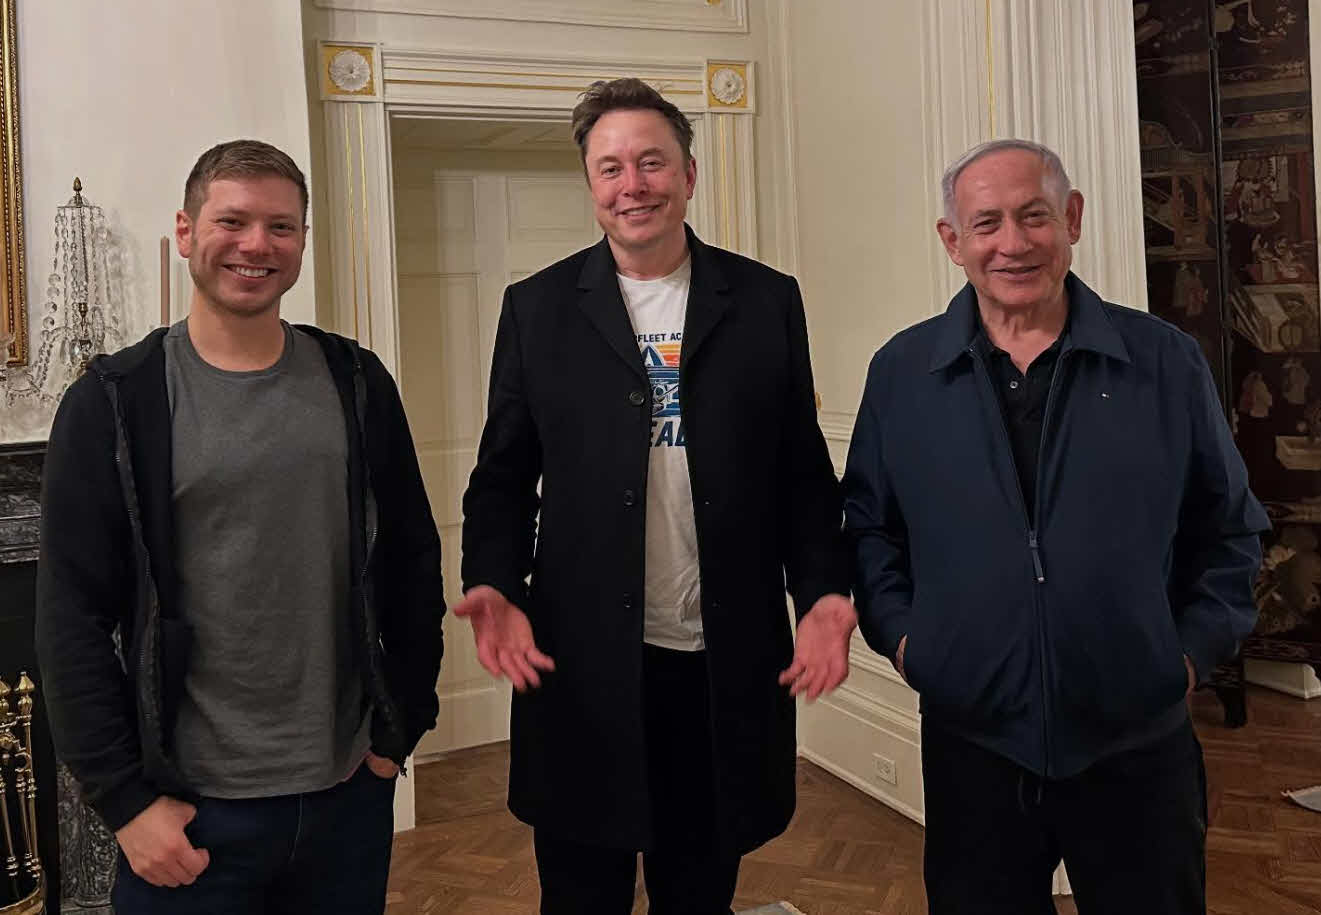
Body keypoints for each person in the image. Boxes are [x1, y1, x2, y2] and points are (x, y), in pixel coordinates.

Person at [456, 77, 855, 914]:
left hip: (720, 666)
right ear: (590, 185)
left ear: (688, 174)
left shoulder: (764, 300)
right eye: (610, 168)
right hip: (584, 667)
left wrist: (822, 588)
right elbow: (502, 477)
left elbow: (799, 473)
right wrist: (494, 579)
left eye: (651, 162)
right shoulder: (536, 309)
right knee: (581, 895)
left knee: (698, 892)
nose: (631, 185)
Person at [842, 138, 1269, 914]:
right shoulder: (902, 372)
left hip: (1136, 742)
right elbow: (871, 530)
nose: (1012, 243)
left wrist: (1181, 658)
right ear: (952, 240)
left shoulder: (1163, 361)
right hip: (972, 743)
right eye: (986, 223)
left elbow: (1229, 529)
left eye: (1033, 215)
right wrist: (909, 645)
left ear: (1071, 218)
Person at [36, 139, 444, 914]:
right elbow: (71, 617)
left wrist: (400, 731)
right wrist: (123, 801)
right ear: (186, 230)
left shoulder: (357, 382)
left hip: (345, 795)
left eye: (280, 226)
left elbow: (412, 562)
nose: (257, 244)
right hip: (187, 814)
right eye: (233, 220)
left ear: (301, 242)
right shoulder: (115, 401)